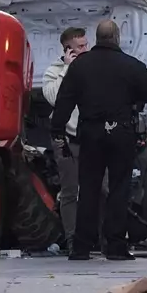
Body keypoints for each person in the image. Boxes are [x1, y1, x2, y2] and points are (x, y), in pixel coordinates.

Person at [51, 20, 147, 261]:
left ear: (97, 38)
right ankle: (115, 246)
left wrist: (57, 133)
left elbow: (64, 101)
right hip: (121, 134)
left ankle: (81, 247)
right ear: (117, 37)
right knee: (119, 188)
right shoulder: (130, 65)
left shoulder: (80, 66)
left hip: (90, 134)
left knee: (88, 189)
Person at [42, 27, 90, 251]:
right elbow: (54, 98)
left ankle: (96, 237)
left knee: (103, 188)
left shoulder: (92, 68)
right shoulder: (54, 71)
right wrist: (68, 70)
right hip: (67, 140)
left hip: (91, 138)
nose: (85, 49)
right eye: (80, 46)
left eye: (86, 44)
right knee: (70, 191)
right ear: (68, 50)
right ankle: (72, 240)